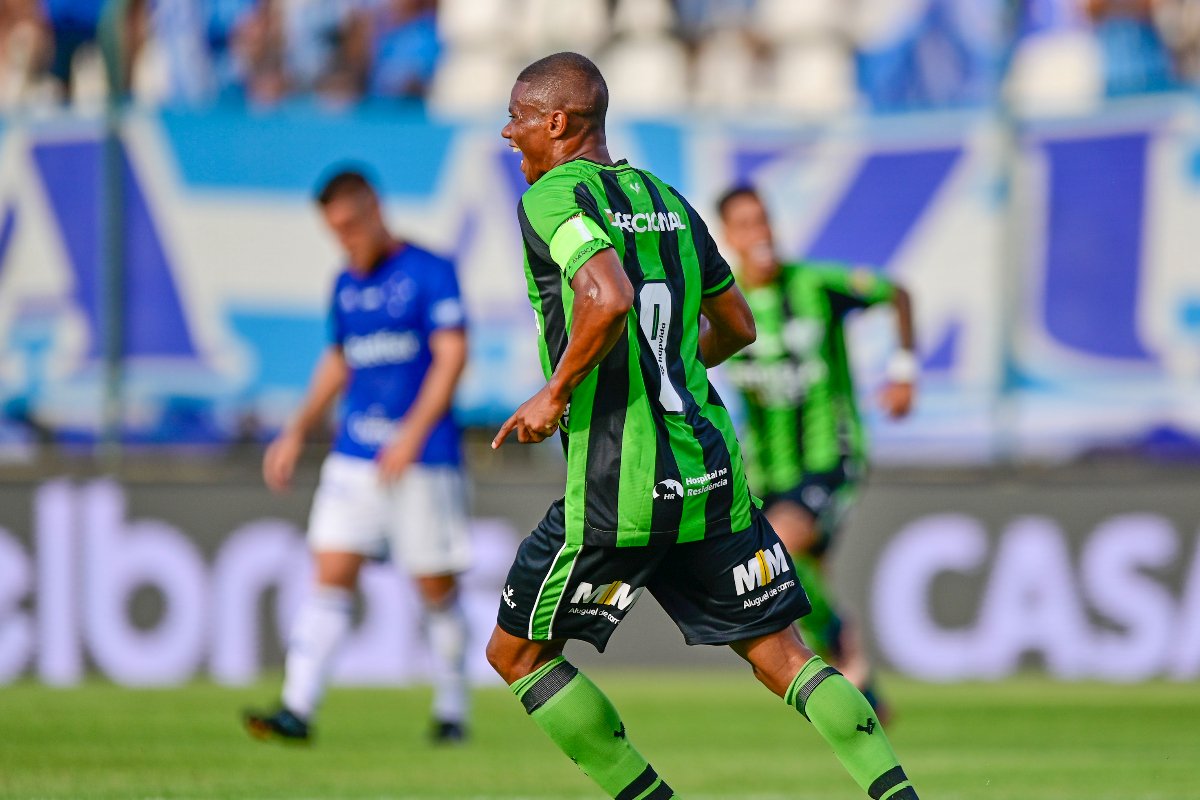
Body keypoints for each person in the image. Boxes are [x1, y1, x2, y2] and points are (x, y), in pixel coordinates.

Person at [486, 51, 919, 800]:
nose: (507, 132)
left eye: (519, 119)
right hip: (709, 475)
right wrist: (671, 372)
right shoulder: (669, 201)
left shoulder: (554, 196)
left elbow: (609, 295)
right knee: (783, 655)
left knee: (516, 656)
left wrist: (555, 392)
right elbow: (738, 325)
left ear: (556, 123)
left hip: (617, 487)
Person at [243, 168, 472, 745]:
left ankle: (452, 709)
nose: (343, 240)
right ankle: (297, 708)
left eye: (349, 226)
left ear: (374, 209)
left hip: (422, 459)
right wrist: (296, 429)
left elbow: (451, 356)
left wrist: (414, 434)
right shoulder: (344, 283)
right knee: (330, 574)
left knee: (435, 587)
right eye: (333, 231)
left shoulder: (429, 270)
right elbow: (340, 361)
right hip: (354, 455)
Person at [717, 185, 917, 716]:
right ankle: (853, 666)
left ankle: (842, 662)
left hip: (831, 455)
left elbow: (895, 293)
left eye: (764, 220)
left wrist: (903, 373)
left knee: (782, 547)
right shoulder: (724, 302)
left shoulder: (816, 286)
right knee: (795, 572)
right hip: (766, 468)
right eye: (746, 224)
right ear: (729, 237)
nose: (759, 233)